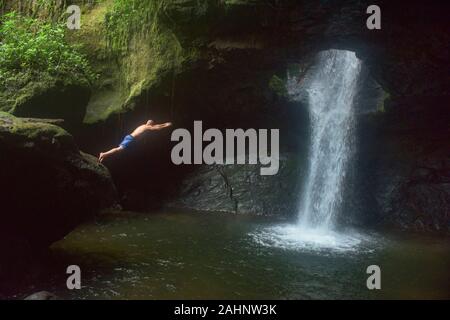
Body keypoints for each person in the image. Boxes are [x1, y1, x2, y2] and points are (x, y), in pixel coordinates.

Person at [99, 120, 172, 163]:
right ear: (150, 124)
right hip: (131, 139)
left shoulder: (143, 125)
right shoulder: (147, 127)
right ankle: (104, 154)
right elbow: (157, 127)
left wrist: (164, 124)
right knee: (119, 149)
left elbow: (157, 126)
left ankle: (105, 156)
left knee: (120, 151)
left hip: (129, 137)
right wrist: (166, 125)